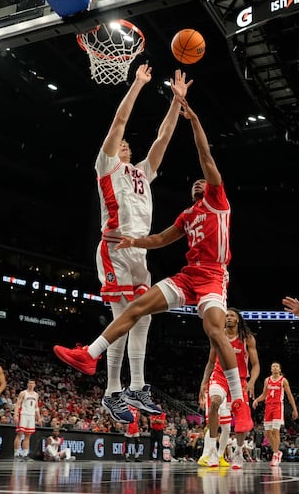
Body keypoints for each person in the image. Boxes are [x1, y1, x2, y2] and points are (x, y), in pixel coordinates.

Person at [54, 97, 253, 435]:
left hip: (209, 276)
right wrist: (137, 241)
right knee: (133, 311)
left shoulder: (216, 200)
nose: (198, 183)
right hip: (150, 260)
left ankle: (236, 402)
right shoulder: (179, 210)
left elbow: (193, 152)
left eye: (201, 183)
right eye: (195, 184)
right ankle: (96, 363)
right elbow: (162, 238)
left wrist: (186, 114)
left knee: (205, 329)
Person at [92, 65, 191, 423]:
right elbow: (119, 122)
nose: (125, 144)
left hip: (139, 252)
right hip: (115, 249)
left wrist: (175, 103)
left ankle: (136, 386)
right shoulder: (106, 166)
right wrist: (137, 85)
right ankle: (111, 393)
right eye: (120, 143)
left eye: (127, 145)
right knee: (123, 318)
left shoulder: (141, 173)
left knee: (143, 319)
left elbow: (162, 139)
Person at [197, 307, 259, 469]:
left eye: (232, 315)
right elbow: (211, 362)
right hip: (219, 376)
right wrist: (204, 382)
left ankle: (238, 452)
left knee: (242, 420)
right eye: (227, 316)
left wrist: (252, 382)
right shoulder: (218, 336)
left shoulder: (247, 338)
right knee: (215, 402)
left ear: (238, 319)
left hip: (239, 381)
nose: (229, 318)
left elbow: (256, 365)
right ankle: (211, 450)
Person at [252, 361, 298, 466]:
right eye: (273, 366)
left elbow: (289, 395)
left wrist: (294, 409)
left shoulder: (283, 381)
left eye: (277, 366)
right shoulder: (267, 380)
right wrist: (257, 400)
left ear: (280, 369)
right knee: (267, 433)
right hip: (268, 406)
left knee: (275, 430)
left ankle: (275, 454)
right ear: (271, 369)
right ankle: (277, 451)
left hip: (278, 406)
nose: (275, 368)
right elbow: (264, 395)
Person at [13, 378, 41, 461]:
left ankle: (25, 454)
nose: (31, 385)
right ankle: (16, 454)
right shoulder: (23, 393)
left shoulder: (36, 395)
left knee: (28, 436)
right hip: (23, 414)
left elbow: (36, 407)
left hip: (31, 416)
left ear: (35, 385)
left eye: (33, 383)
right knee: (19, 434)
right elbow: (17, 404)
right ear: (27, 384)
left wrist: (38, 418)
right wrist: (16, 415)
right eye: (30, 383)